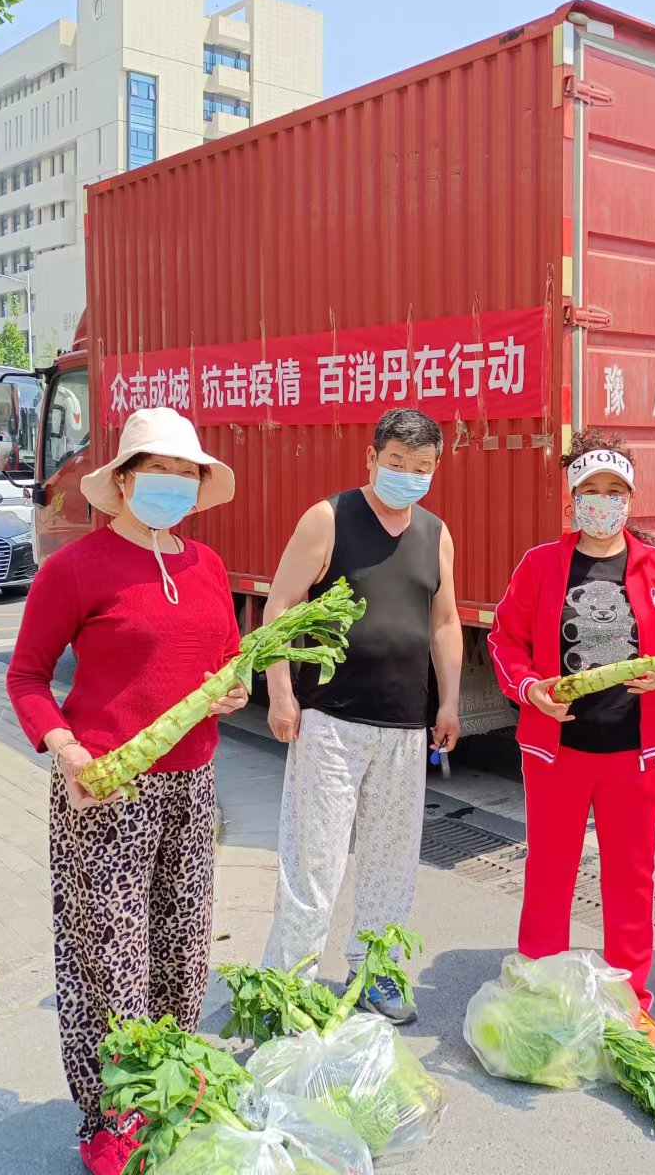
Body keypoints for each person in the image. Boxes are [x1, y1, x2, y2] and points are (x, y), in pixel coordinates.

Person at [6, 406, 248, 1175]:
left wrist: (233, 691)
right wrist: (66, 749)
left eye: (187, 474)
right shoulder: (75, 568)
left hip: (193, 786)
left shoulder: (208, 565)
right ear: (122, 480)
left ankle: (170, 1092)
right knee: (107, 962)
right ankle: (110, 1117)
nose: (173, 485)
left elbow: (228, 659)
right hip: (105, 790)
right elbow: (27, 677)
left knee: (180, 953)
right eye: (159, 472)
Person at [488, 430, 655, 1039]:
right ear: (573, 496)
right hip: (558, 747)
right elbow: (505, 639)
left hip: (637, 749)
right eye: (590, 490)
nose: (602, 501)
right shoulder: (541, 564)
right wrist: (531, 689)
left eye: (614, 491)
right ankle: (539, 983)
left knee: (630, 873)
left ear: (630, 499)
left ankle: (630, 994)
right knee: (550, 867)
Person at [260, 408, 462, 1024]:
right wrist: (279, 691)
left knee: (391, 860)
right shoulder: (330, 518)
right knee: (314, 858)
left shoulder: (435, 532)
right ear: (371, 459)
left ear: (435, 469)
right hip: (330, 720)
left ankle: (375, 973)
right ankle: (286, 985)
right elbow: (279, 605)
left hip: (404, 725)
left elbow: (445, 620)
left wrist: (449, 699)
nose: (407, 475)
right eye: (396, 463)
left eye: (420, 467)